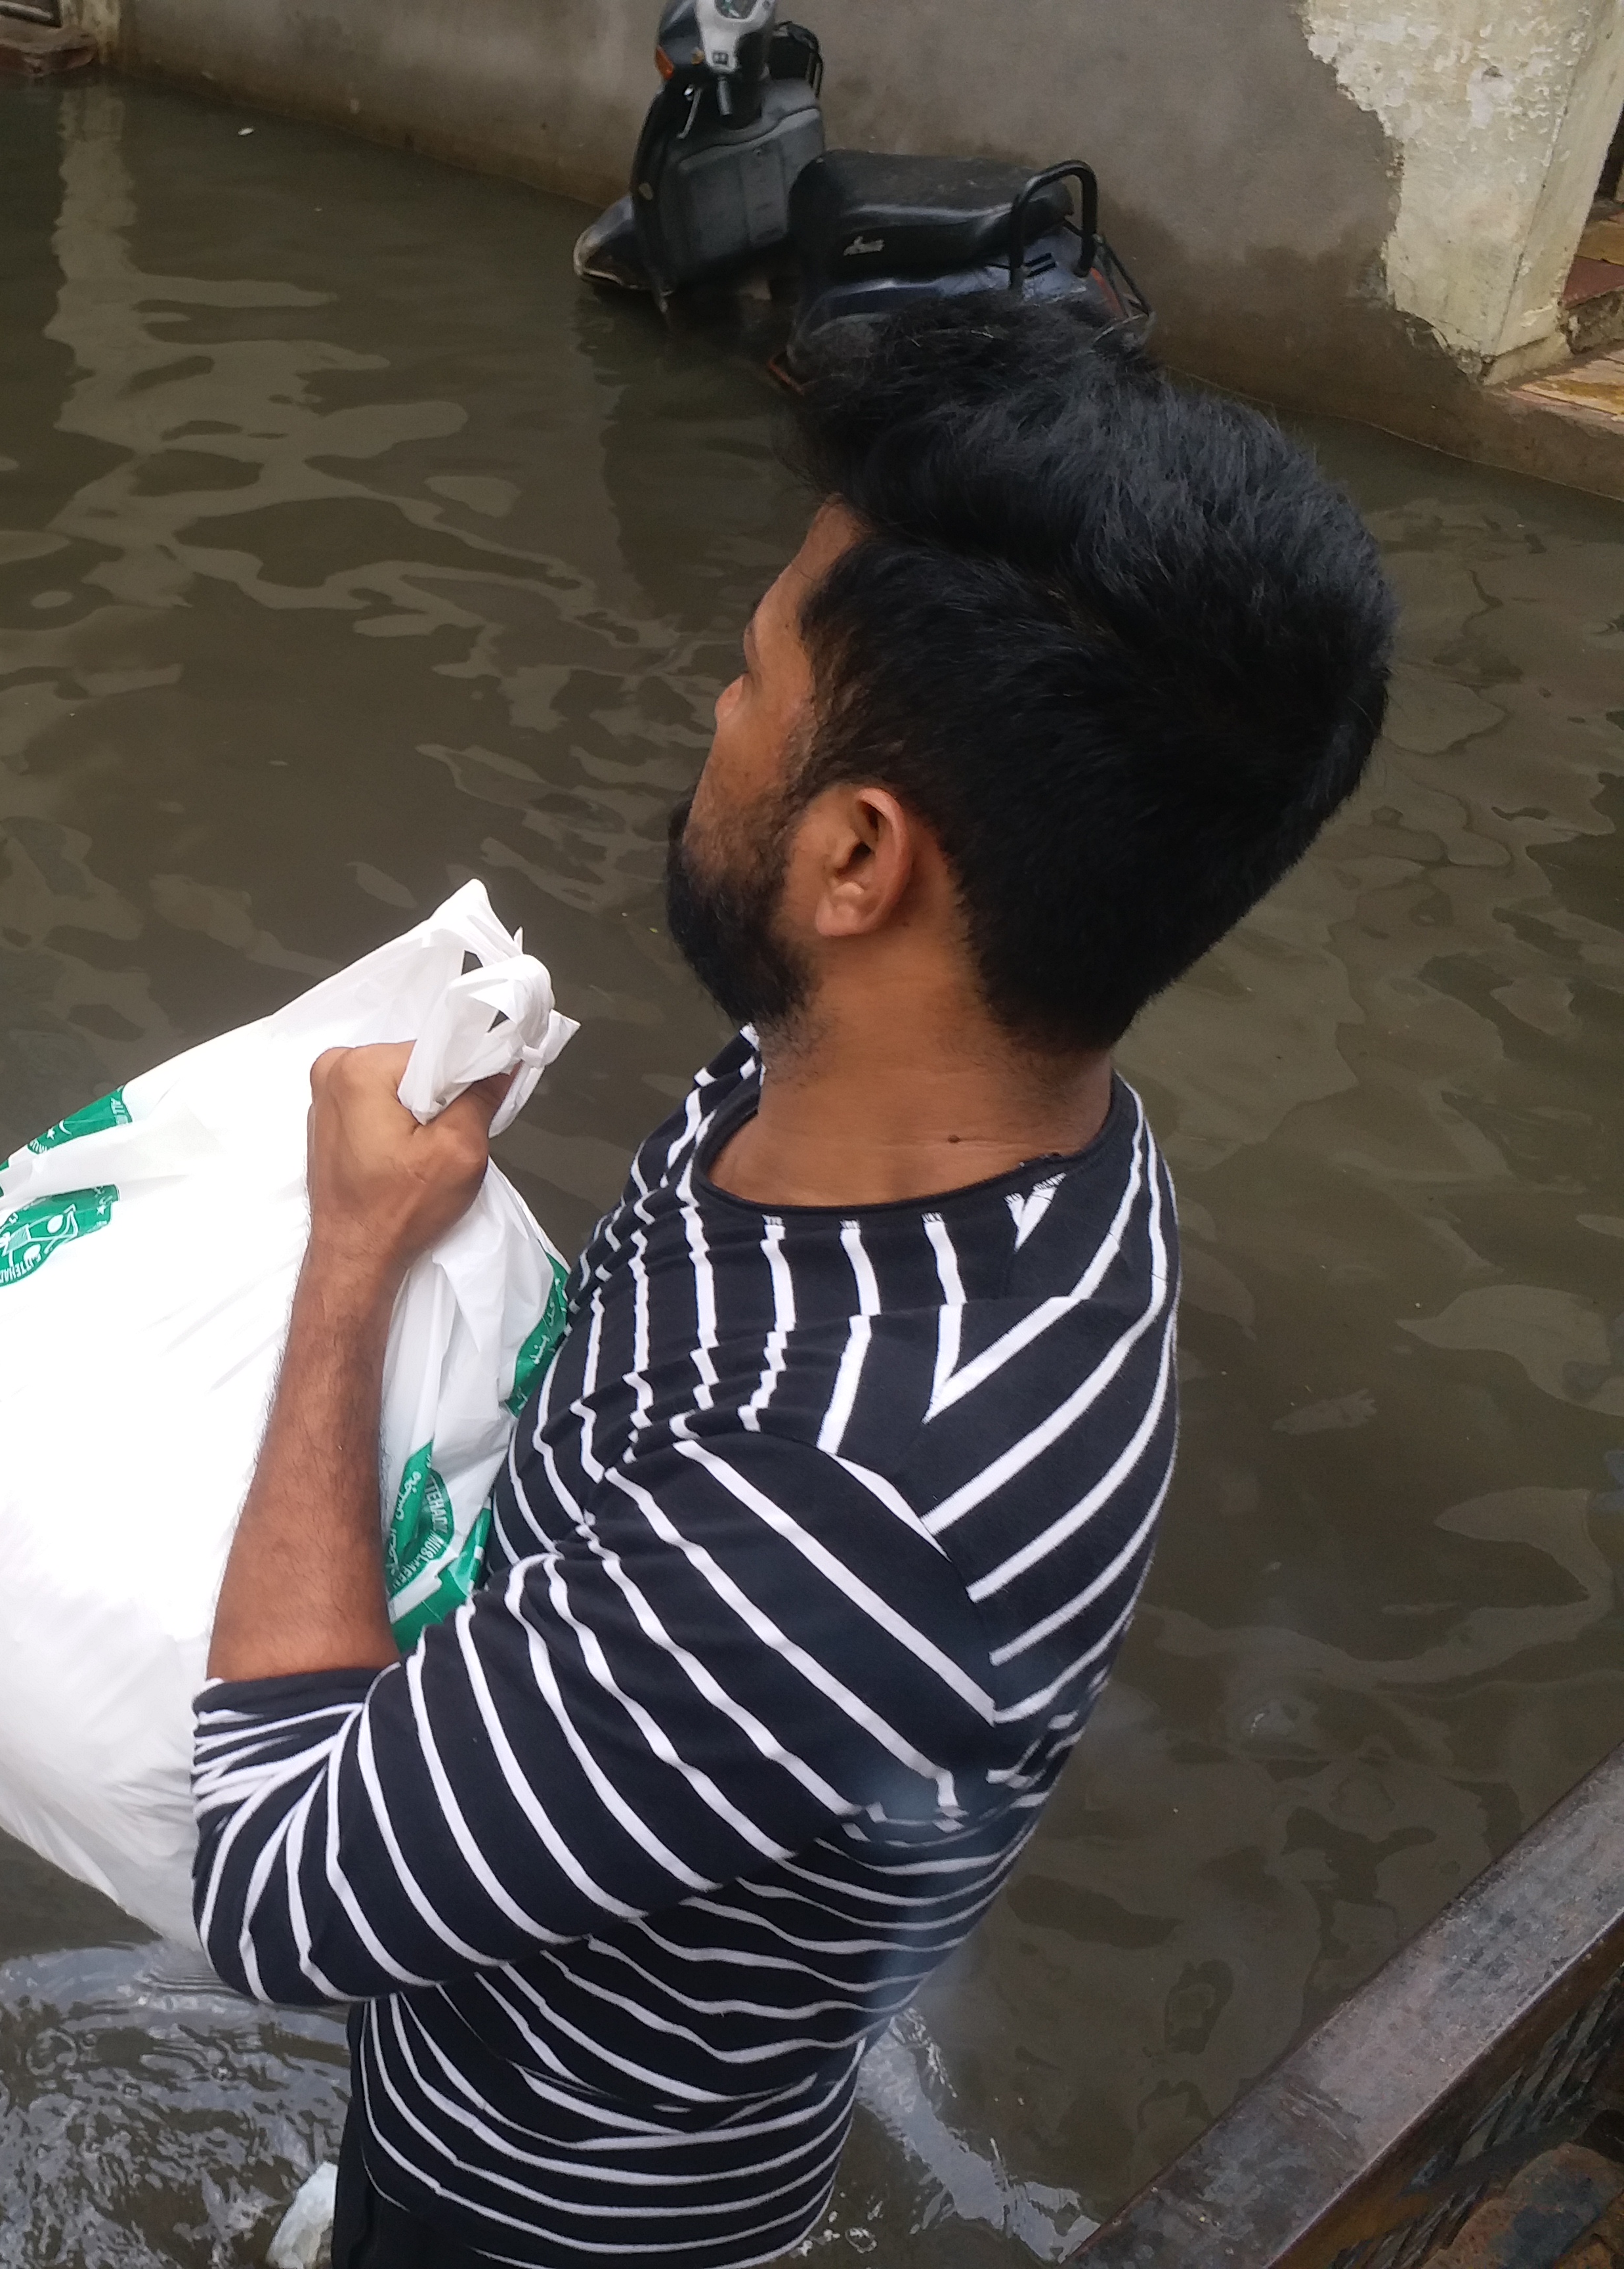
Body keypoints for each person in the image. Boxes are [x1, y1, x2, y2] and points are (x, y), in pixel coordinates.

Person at [192, 295, 1396, 2269]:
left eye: (750, 675)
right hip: (698, 2036)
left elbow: (269, 1888)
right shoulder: (978, 1121)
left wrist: (348, 1274)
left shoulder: (823, 1516)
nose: (713, 710)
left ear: (857, 857)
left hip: (551, 2209)